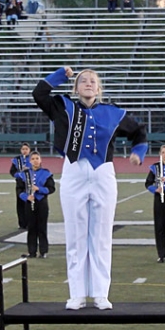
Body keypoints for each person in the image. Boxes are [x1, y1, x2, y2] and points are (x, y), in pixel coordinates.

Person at [32, 66, 147, 311]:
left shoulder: (113, 112)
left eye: (93, 81)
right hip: (73, 171)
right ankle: (77, 294)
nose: (88, 83)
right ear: (76, 87)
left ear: (99, 88)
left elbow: (138, 132)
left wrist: (138, 153)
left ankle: (100, 294)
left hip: (103, 172)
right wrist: (61, 75)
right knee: (75, 235)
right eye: (83, 80)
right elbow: (39, 93)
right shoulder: (63, 107)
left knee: (102, 236)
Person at [16, 151, 55, 258]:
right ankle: (32, 251)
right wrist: (26, 197)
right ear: (30, 161)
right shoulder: (24, 174)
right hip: (29, 203)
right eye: (33, 159)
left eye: (37, 158)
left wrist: (39, 189)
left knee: (42, 228)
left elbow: (51, 189)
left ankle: (43, 251)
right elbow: (19, 190)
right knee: (31, 228)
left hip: (41, 203)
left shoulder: (46, 173)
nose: (35, 161)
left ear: (40, 160)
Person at [9, 143, 33, 229]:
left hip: (30, 184)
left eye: (26, 149)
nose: (25, 151)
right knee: (20, 204)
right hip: (20, 184)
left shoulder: (33, 158)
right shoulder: (17, 160)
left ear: (29, 150)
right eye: (23, 149)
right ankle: (22, 224)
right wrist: (19, 175)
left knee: (29, 203)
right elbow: (12, 171)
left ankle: (30, 222)